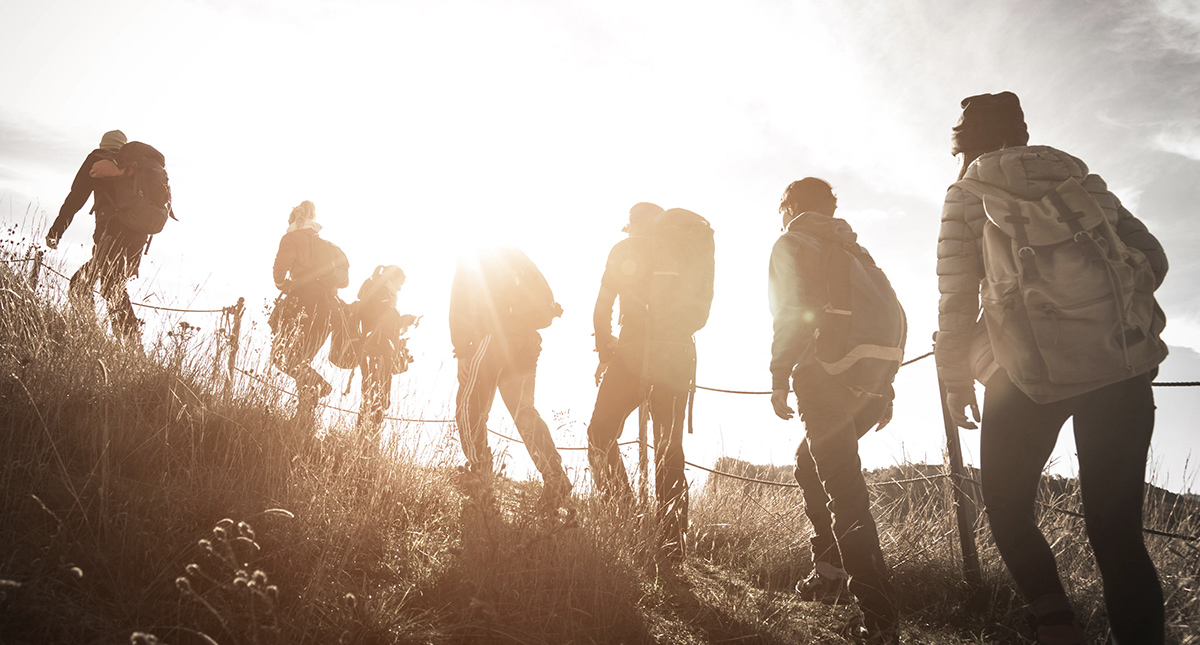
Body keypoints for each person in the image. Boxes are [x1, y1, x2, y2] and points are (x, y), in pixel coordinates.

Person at [936, 92, 1169, 645]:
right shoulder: (1081, 181)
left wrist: (955, 376)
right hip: (1120, 365)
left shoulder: (967, 191)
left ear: (964, 140)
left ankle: (1057, 623)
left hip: (1021, 375)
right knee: (1117, 534)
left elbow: (954, 298)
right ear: (1021, 131)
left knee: (1008, 507)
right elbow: (1154, 257)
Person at [769, 178, 901, 643]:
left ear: (790, 207)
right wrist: (886, 388)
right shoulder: (854, 249)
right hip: (867, 381)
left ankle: (879, 616)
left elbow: (790, 311)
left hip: (822, 376)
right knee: (810, 464)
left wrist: (778, 375)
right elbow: (887, 316)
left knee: (845, 492)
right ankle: (827, 574)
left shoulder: (793, 241)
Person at [586, 202, 712, 564]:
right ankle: (672, 544)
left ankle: (623, 516)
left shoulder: (626, 249)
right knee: (669, 447)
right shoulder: (683, 252)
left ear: (632, 224)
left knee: (599, 434)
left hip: (632, 352)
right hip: (678, 355)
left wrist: (605, 352)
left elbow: (602, 306)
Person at [449, 246, 571, 512]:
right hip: (526, 341)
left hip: (494, 337)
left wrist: (462, 349)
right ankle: (555, 477)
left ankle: (480, 475)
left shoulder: (473, 252)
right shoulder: (515, 254)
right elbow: (545, 296)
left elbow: (461, 301)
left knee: (470, 407)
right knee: (523, 410)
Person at [46, 130, 144, 344]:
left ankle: (94, 339)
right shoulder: (136, 167)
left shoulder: (99, 159)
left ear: (103, 145)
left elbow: (75, 198)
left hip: (112, 233)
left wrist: (56, 231)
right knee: (113, 287)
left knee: (85, 285)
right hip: (139, 238)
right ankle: (127, 343)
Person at [270, 200, 346, 421]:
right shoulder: (328, 247)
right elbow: (344, 282)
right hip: (329, 310)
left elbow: (279, 270)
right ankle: (304, 417)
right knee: (302, 359)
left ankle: (317, 387)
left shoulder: (291, 238)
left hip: (302, 304)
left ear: (294, 219)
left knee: (281, 356)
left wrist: (284, 286)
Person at [353, 265, 417, 436]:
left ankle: (365, 435)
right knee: (375, 396)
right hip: (377, 351)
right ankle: (368, 437)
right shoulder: (381, 293)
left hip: (373, 349)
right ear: (392, 279)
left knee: (372, 395)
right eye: (399, 283)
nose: (400, 288)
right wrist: (406, 320)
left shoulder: (378, 292)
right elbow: (386, 320)